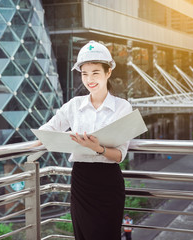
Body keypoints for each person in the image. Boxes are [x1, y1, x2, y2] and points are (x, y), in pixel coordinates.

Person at [37, 40, 133, 240]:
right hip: (82, 181)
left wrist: (97, 148)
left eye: (95, 73)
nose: (89, 79)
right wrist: (37, 141)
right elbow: (50, 128)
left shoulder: (122, 107)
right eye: (84, 73)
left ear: (108, 72)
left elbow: (119, 156)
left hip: (108, 182)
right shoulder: (73, 105)